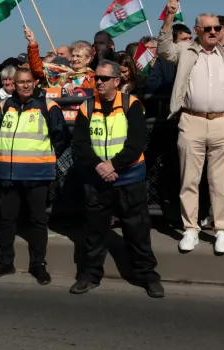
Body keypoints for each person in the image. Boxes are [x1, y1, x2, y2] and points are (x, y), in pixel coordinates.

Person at [157, 0, 224, 256]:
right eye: (206, 28)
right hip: (191, 120)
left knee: (221, 181)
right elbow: (163, 49)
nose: (212, 32)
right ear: (196, 30)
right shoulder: (185, 50)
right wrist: (169, 16)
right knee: (189, 179)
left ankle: (222, 229)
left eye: (216, 28)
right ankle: (191, 228)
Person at [70, 60, 163, 297]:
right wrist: (100, 166)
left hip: (129, 178)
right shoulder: (86, 107)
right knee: (95, 232)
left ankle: (147, 276)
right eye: (96, 79)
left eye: (104, 79)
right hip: (98, 178)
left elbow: (136, 143)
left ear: (116, 81)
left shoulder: (132, 105)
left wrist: (113, 165)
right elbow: (80, 145)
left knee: (137, 229)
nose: (99, 83)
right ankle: (89, 275)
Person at [0, 67, 69, 285]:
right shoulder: (4, 106)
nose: (25, 85)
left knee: (37, 220)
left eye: (29, 82)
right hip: (8, 173)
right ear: (13, 84)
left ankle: (38, 264)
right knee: (6, 220)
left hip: (37, 173)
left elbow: (61, 137)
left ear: (34, 83)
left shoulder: (48, 106)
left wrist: (46, 158)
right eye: (20, 82)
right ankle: (5, 262)